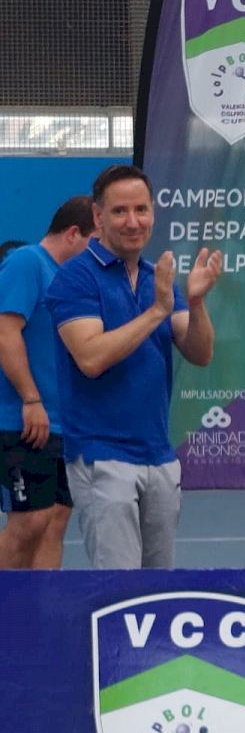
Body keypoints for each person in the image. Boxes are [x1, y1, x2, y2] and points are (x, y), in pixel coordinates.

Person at [46, 164, 221, 569]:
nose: (132, 221)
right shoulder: (75, 278)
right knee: (120, 587)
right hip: (101, 455)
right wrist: (157, 310)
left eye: (141, 209)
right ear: (98, 217)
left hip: (158, 455)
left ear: (153, 213)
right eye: (120, 211)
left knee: (158, 587)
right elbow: (91, 358)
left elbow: (200, 353)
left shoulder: (157, 278)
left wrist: (196, 304)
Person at [0, 195, 94, 569]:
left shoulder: (72, 279)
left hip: (64, 424)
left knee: (55, 522)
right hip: (23, 421)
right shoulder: (27, 262)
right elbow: (5, 332)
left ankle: (42, 605)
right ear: (73, 234)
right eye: (95, 242)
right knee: (30, 522)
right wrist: (31, 399)